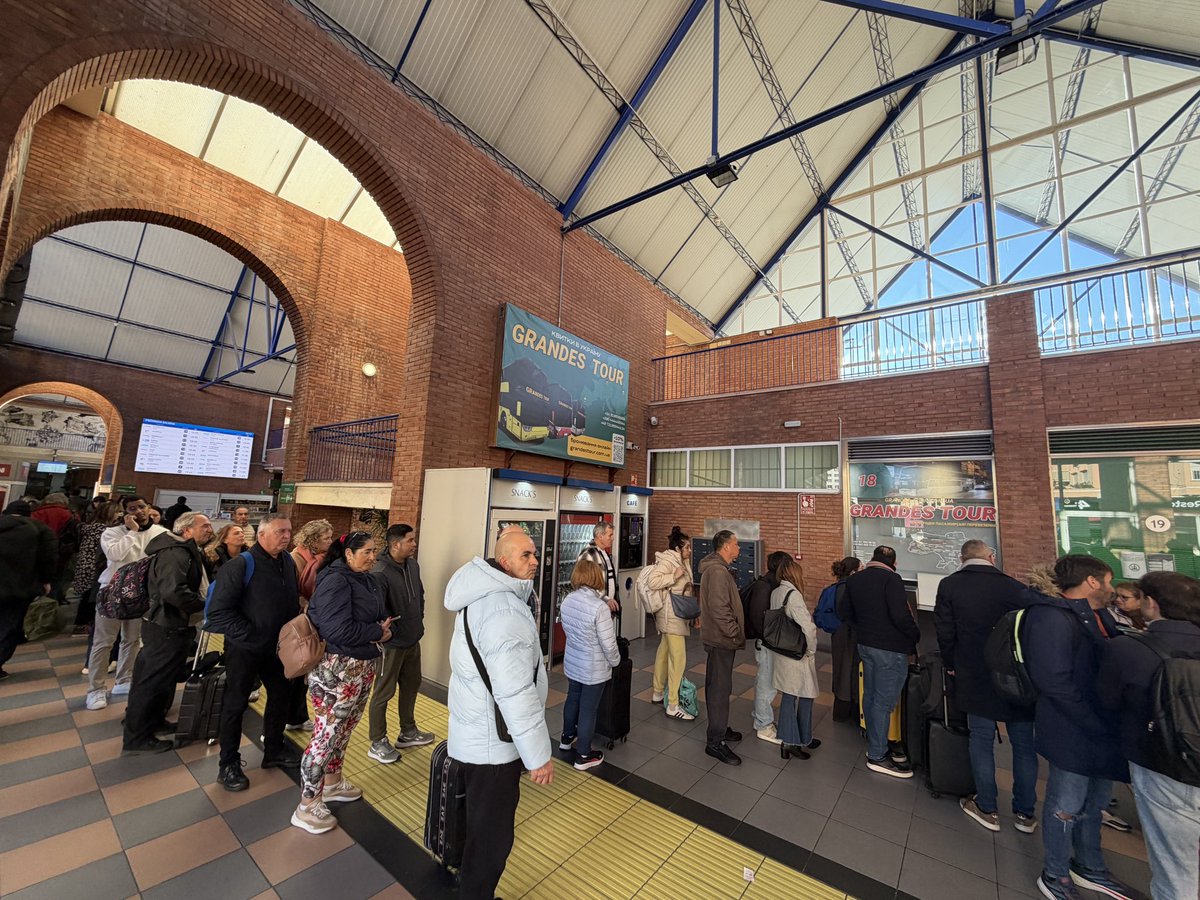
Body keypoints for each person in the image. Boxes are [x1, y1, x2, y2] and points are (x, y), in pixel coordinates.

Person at [445, 529, 553, 900]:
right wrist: (538, 756)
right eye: (526, 555)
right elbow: (515, 692)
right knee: (493, 836)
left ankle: (472, 887)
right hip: (493, 746)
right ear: (503, 562)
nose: (535, 560)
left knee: (480, 826)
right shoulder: (503, 610)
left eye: (534, 553)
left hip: (477, 734)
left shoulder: (483, 597)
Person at [1023, 555, 1134, 900]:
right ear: (1091, 581)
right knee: (1065, 804)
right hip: (1073, 727)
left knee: (1094, 802)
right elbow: (1053, 680)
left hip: (1099, 726)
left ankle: (1090, 866)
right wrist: (1091, 719)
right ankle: (1056, 874)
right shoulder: (1050, 617)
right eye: (1108, 581)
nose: (1113, 589)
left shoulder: (1096, 616)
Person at [1098, 572, 1200, 899]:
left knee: (1176, 868)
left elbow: (1107, 702)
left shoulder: (1128, 649)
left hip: (1161, 765)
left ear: (1151, 604)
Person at [934, 540, 1038, 833]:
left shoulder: (951, 585)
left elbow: (945, 630)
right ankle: (1025, 813)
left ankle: (987, 807)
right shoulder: (1015, 588)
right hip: (1016, 677)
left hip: (973, 672)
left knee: (980, 738)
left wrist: (950, 663)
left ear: (961, 558)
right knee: (1024, 746)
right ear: (991, 557)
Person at [292, 532, 390, 833]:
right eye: (368, 551)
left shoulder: (365, 579)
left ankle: (332, 783)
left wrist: (380, 629)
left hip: (360, 666)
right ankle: (307, 804)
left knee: (345, 730)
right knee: (326, 735)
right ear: (348, 554)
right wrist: (377, 632)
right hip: (337, 670)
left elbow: (377, 615)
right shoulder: (336, 579)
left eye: (376, 551)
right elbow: (337, 630)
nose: (373, 557)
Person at [205, 513, 303, 791]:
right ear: (261, 535)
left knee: (281, 698)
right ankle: (228, 763)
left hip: (277, 649)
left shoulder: (286, 562)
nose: (287, 536)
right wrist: (251, 634)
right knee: (235, 704)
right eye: (280, 531)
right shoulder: (240, 565)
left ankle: (274, 748)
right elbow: (218, 612)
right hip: (244, 650)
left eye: (289, 531)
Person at [122, 512, 213, 753]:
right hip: (165, 625)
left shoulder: (179, 550)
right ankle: (137, 737)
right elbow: (174, 591)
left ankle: (152, 722)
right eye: (204, 526)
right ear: (186, 530)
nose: (209, 530)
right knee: (151, 680)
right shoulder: (176, 553)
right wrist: (203, 603)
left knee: (161, 680)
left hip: (168, 623)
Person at [86, 496, 168, 711]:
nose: (139, 511)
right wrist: (132, 532)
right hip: (112, 592)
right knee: (103, 642)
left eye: (142, 507)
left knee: (132, 640)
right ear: (124, 512)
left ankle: (124, 679)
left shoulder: (160, 533)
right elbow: (115, 554)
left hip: (141, 595)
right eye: (133, 508)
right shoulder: (112, 533)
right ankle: (96, 688)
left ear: (149, 508)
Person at [843, 545, 918, 778]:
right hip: (891, 648)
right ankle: (877, 754)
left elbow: (844, 611)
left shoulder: (855, 580)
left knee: (872, 696)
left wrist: (864, 629)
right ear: (893, 562)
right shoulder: (892, 580)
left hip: (866, 645)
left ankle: (875, 740)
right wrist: (914, 634)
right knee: (884, 701)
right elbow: (900, 614)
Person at [367, 523, 434, 764]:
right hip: (391, 645)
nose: (414, 544)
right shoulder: (380, 571)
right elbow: (376, 609)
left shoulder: (412, 565)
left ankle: (408, 731)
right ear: (396, 544)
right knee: (383, 692)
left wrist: (419, 620)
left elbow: (420, 594)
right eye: (410, 540)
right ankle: (377, 740)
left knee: (411, 685)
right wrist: (391, 633)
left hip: (412, 639)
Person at [559, 558, 621, 770]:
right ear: (597, 577)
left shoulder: (568, 600)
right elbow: (609, 644)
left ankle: (566, 738)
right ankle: (583, 755)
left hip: (573, 662)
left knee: (572, 699)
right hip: (593, 667)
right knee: (588, 709)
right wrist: (615, 661)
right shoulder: (599, 607)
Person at [698, 530, 745, 766]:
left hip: (721, 638)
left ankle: (721, 728)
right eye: (736, 544)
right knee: (719, 689)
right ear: (726, 546)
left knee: (721, 686)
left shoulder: (719, 569)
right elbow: (719, 608)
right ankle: (715, 742)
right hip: (720, 639)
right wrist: (734, 632)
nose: (739, 548)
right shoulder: (717, 572)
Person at [769, 558, 820, 760]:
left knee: (790, 695)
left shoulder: (776, 592)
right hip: (797, 653)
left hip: (782, 650)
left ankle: (799, 737)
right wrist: (812, 650)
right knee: (805, 695)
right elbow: (808, 627)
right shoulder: (794, 595)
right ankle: (793, 740)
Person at [0, 501, 57, 679]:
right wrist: (46, 580)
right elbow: (48, 557)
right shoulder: (40, 530)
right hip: (21, 586)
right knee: (10, 626)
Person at [645, 525, 695, 721]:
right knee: (678, 657)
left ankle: (658, 692)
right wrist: (673, 575)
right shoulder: (668, 561)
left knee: (664, 652)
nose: (690, 550)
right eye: (687, 547)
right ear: (678, 549)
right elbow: (653, 582)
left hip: (675, 613)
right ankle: (673, 704)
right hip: (670, 614)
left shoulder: (681, 560)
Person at [746, 550, 792, 744]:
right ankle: (763, 725)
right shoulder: (765, 587)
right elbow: (758, 618)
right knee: (767, 684)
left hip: (768, 641)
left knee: (765, 682)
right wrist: (768, 638)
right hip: (767, 643)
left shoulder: (770, 585)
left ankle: (760, 715)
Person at [825, 556, 862, 721]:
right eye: (861, 569)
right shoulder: (853, 589)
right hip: (850, 635)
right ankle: (851, 711)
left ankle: (840, 711)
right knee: (851, 671)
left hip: (838, 635)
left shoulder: (835, 587)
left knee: (841, 671)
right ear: (854, 571)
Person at [32, 492, 76, 602]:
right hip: (61, 553)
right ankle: (51, 605)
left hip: (37, 552)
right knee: (57, 579)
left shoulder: (37, 513)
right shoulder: (69, 515)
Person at [577, 521, 620, 613]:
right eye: (610, 535)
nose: (613, 538)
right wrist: (605, 599)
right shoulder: (588, 554)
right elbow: (584, 584)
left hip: (605, 607)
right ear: (600, 536)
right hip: (594, 609)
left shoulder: (603, 552)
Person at [291, 518, 333, 606]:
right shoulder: (294, 558)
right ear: (313, 541)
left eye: (331, 537)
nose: (331, 541)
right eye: (326, 538)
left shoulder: (328, 557)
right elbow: (290, 588)